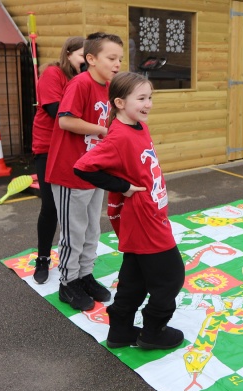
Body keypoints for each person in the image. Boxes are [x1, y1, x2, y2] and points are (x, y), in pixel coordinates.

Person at [74, 72, 184, 350]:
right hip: (144, 220)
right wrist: (121, 185)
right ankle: (153, 332)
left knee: (135, 278)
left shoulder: (138, 126)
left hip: (150, 214)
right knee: (171, 277)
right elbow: (82, 167)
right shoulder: (118, 137)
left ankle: (121, 331)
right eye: (141, 98)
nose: (148, 104)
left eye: (150, 97)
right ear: (120, 102)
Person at [45, 32, 123, 311]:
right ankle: (68, 283)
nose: (117, 64)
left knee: (91, 229)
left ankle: (85, 275)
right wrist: (102, 130)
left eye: (120, 59)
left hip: (94, 170)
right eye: (111, 58)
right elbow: (66, 122)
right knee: (73, 231)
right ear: (91, 59)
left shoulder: (110, 87)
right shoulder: (80, 84)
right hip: (71, 172)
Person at [31, 36, 85, 284]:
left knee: (75, 207)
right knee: (51, 206)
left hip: (74, 148)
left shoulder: (83, 80)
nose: (86, 61)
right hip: (48, 147)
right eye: (83, 56)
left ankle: (75, 260)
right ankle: (43, 258)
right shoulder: (53, 74)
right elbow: (57, 112)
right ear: (70, 53)